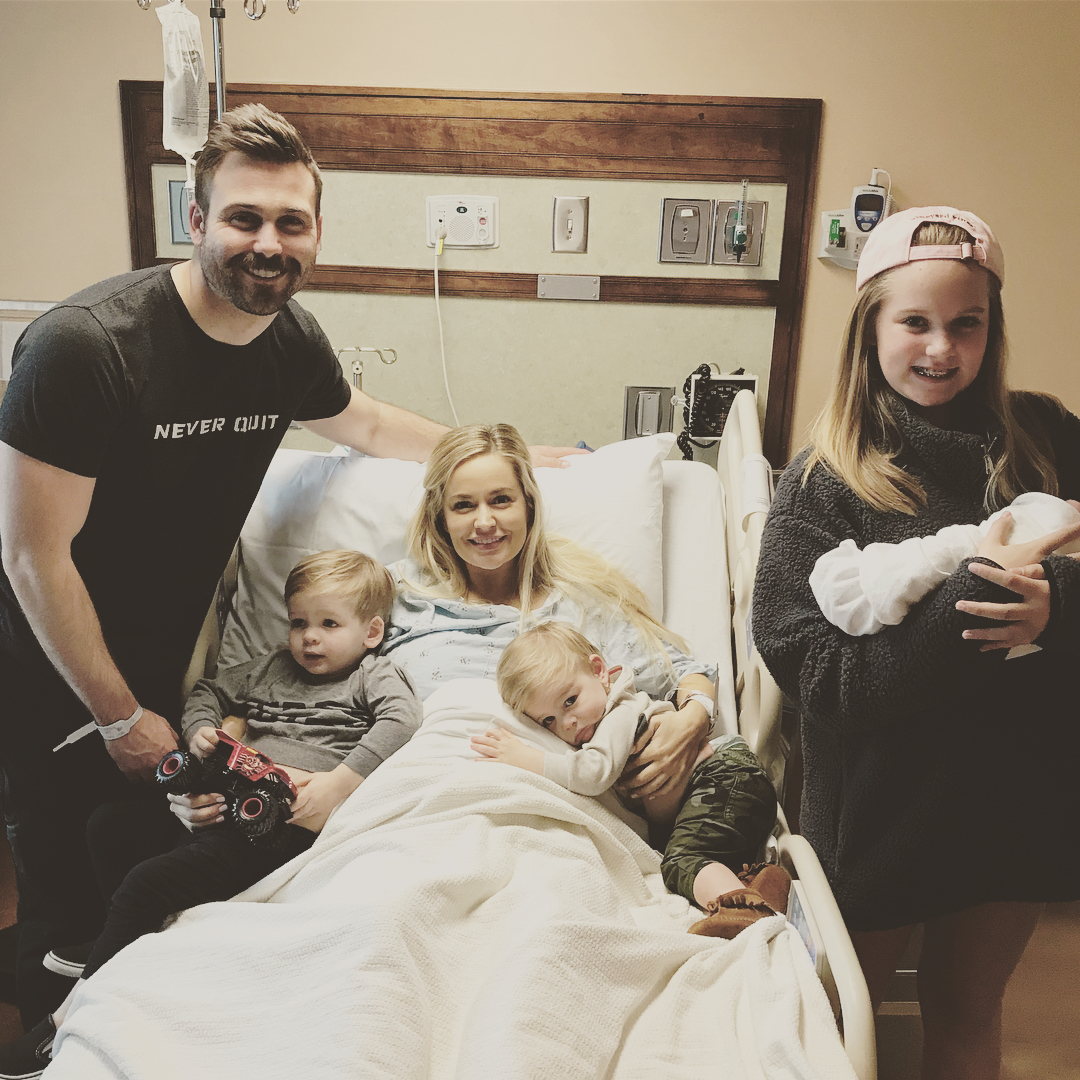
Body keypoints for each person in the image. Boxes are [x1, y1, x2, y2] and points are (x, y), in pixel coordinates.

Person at [0, 102, 579, 1025]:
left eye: (290, 222)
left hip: (164, 656)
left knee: (139, 866)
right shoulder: (88, 348)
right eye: (243, 218)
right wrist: (117, 716)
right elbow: (33, 558)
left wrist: (499, 456)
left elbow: (367, 422)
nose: (268, 244)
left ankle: (126, 1019)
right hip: (51, 659)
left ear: (315, 234)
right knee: (60, 884)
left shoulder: (287, 340)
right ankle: (42, 1038)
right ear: (196, 220)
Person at [751, 206, 1080, 1080]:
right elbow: (821, 674)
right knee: (836, 1022)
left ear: (992, 329)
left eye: (967, 323)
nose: (942, 348)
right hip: (880, 812)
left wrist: (1058, 605)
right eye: (915, 323)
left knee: (970, 1011)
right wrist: (984, 596)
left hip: (1016, 801)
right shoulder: (824, 481)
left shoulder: (1047, 441)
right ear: (870, 327)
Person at [0, 548, 422, 1077]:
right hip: (227, 798)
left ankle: (65, 1021)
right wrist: (202, 728)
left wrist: (341, 782)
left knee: (146, 884)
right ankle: (125, 937)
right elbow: (209, 690)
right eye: (298, 623)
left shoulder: (372, 676)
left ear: (372, 632)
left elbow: (402, 722)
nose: (309, 638)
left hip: (284, 820)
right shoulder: (272, 667)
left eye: (328, 624)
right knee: (109, 825)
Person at [382, 422, 719, 817]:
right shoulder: (398, 594)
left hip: (554, 812)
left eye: (501, 500)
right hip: (416, 803)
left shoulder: (580, 603)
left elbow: (685, 674)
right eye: (463, 505)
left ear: (528, 504)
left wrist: (694, 718)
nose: (484, 522)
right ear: (441, 517)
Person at [471, 621, 788, 938]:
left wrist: (529, 758)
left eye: (570, 701)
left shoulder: (618, 713)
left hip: (721, 779)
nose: (568, 723)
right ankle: (762, 886)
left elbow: (592, 774)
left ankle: (744, 912)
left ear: (599, 672)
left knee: (681, 862)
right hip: (721, 792)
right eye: (548, 721)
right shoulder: (597, 722)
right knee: (689, 852)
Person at [810, 491, 1080, 659]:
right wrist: (988, 569)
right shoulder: (816, 491)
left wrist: (1061, 606)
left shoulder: (1052, 436)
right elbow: (831, 688)